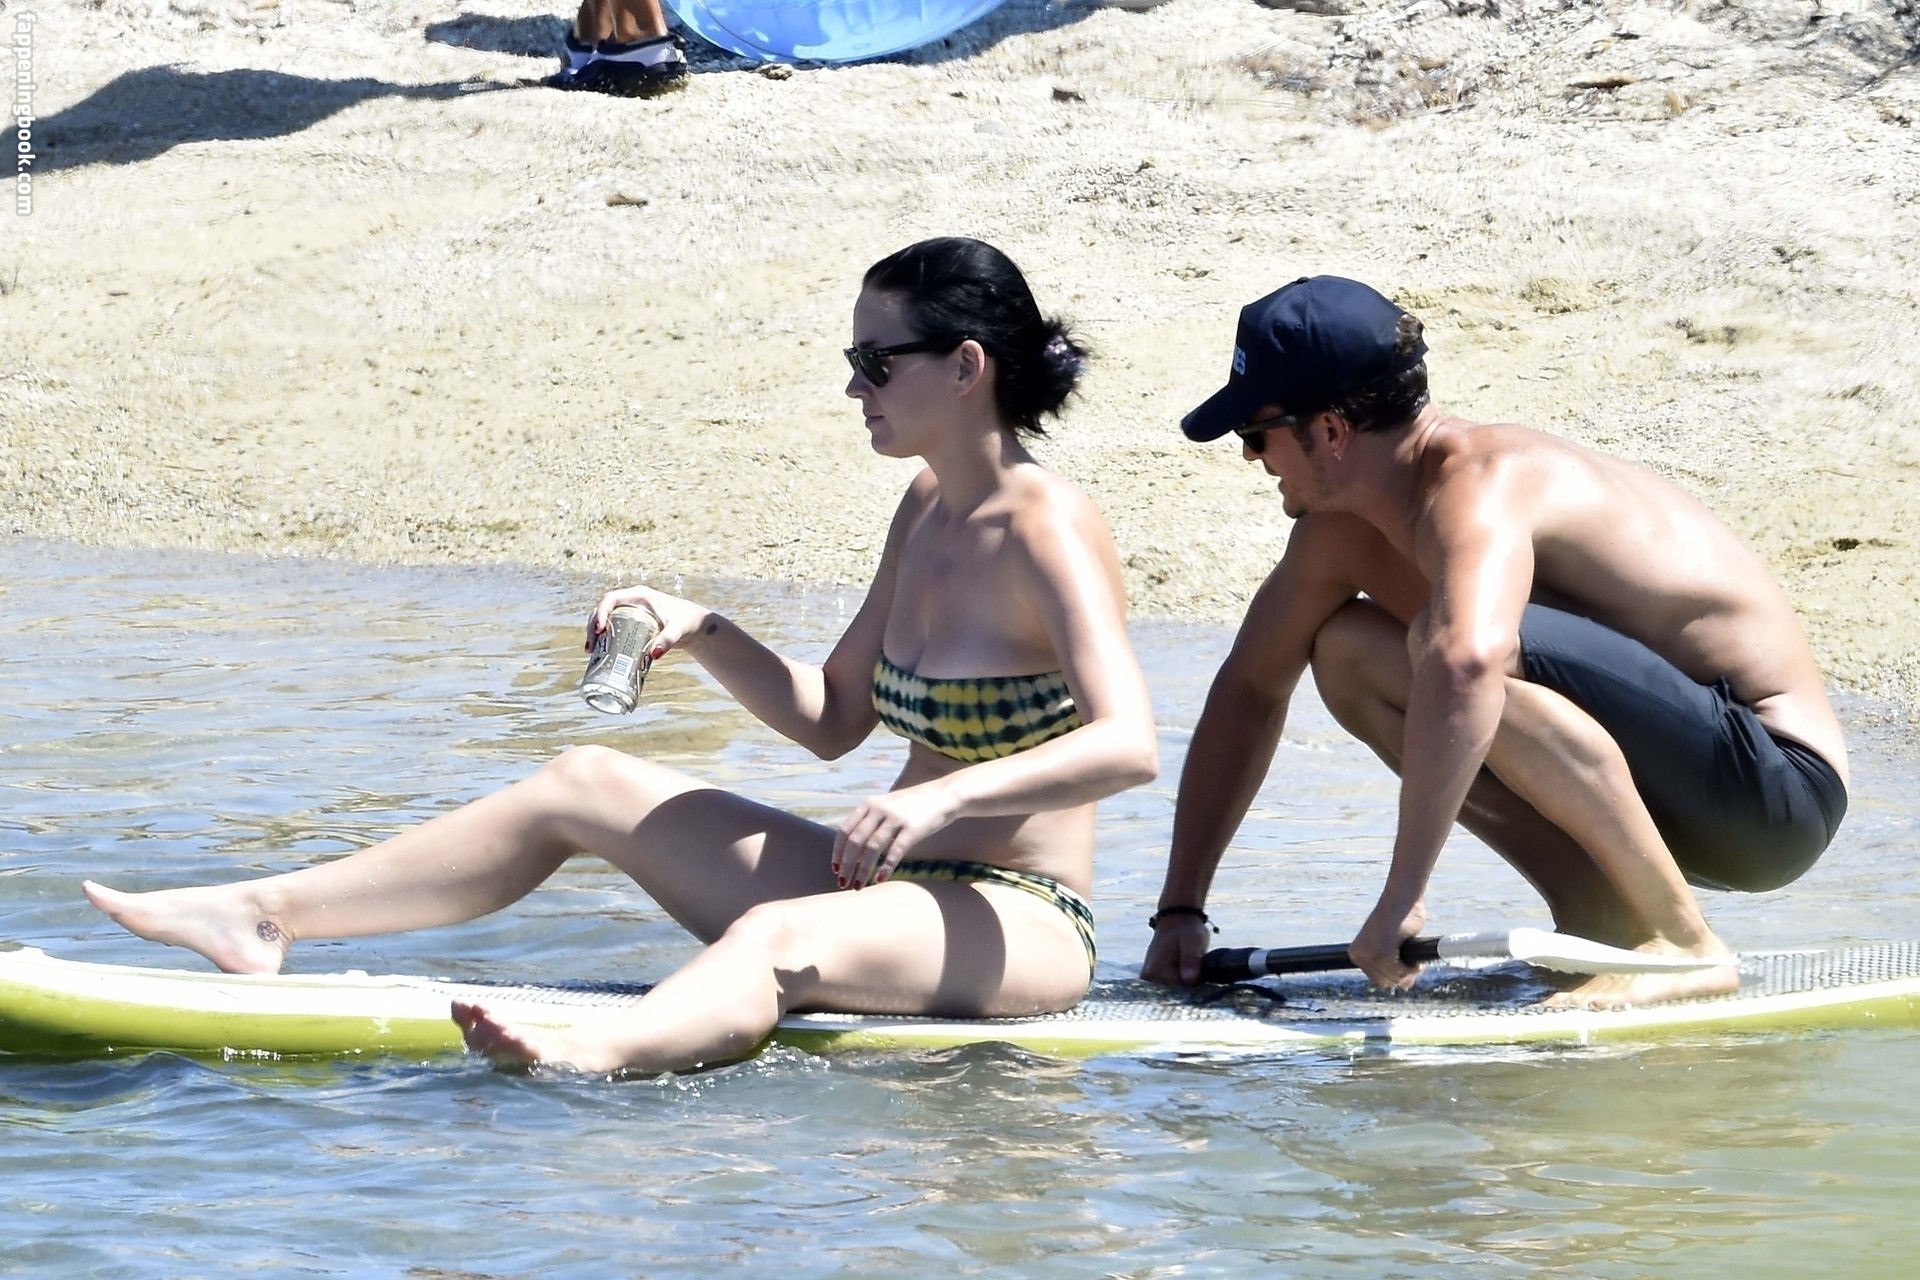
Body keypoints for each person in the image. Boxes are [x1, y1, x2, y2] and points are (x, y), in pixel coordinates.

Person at [85, 237, 1159, 1074]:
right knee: (584, 781)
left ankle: (593, 1055)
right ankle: (265, 915)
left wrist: (941, 798)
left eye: (876, 362)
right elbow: (835, 717)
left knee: (772, 937)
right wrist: (703, 630)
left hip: (1018, 917)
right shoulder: (927, 505)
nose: (854, 388)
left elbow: (1129, 744)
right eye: (851, 361)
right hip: (890, 884)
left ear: (966, 366)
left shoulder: (1048, 526)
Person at [1140, 275, 1848, 1006]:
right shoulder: (1339, 532)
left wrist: (1401, 900)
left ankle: (1686, 943)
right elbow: (1250, 690)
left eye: (1254, 434)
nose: (1249, 457)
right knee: (1347, 652)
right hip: (1668, 788)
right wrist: (1181, 909)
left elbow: (1469, 661)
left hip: (1774, 792)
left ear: (1329, 430)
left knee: (1452, 646)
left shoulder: (1484, 483)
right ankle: (1600, 915)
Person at [550, 0, 688, 97]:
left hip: (640, 55)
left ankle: (638, 32)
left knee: (638, 25)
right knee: (594, 26)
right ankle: (604, 21)